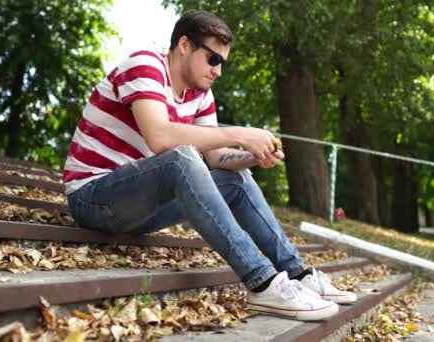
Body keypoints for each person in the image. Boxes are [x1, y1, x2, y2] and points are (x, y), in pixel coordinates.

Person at [63, 10, 356, 321]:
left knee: (236, 177)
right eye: (213, 59)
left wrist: (252, 156)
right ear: (185, 45)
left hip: (138, 208)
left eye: (223, 63)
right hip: (92, 197)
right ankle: (263, 283)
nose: (218, 70)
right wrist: (240, 133)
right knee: (182, 157)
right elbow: (160, 137)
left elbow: (216, 158)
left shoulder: (201, 94)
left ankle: (298, 275)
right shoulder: (146, 65)